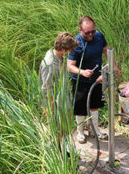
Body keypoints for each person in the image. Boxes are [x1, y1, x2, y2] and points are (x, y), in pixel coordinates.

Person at [67, 15, 121, 144]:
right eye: (87, 33)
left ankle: (94, 130)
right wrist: (82, 72)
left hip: (97, 78)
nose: (91, 34)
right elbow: (69, 65)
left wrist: (114, 66)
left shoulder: (99, 36)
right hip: (80, 80)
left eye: (92, 31)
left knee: (95, 105)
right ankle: (80, 132)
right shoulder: (76, 43)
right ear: (80, 30)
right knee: (80, 107)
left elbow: (106, 50)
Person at [39, 32, 79, 108]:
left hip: (63, 99)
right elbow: (46, 89)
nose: (71, 52)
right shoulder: (49, 64)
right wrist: (53, 110)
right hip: (54, 104)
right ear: (63, 50)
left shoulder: (60, 57)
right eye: (71, 50)